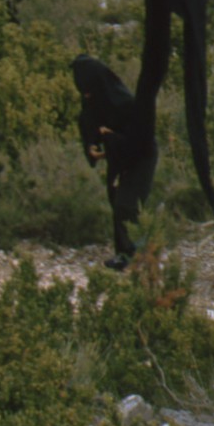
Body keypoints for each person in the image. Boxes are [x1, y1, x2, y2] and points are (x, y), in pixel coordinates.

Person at [71, 56, 155, 270]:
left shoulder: (123, 102)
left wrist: (109, 137)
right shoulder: (93, 99)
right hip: (118, 156)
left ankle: (140, 255)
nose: (86, 95)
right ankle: (124, 254)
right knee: (116, 201)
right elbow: (89, 124)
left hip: (140, 157)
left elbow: (137, 140)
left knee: (127, 204)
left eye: (88, 89)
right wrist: (92, 145)